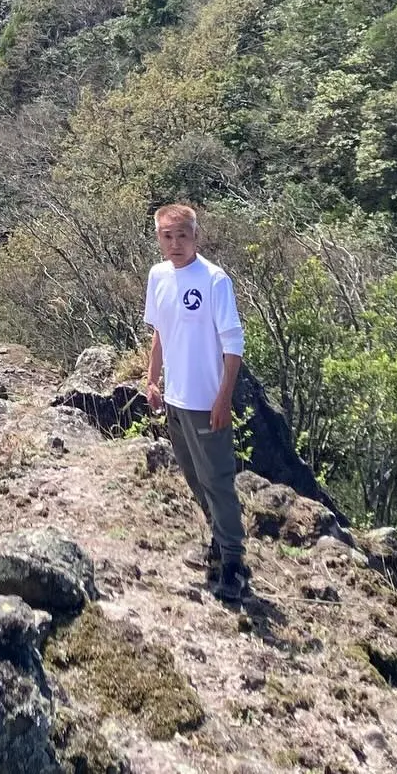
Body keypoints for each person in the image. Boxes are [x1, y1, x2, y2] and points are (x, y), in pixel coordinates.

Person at [144, 203, 248, 601]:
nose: (175, 244)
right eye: (167, 237)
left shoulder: (213, 280)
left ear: (195, 236)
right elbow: (160, 332)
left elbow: (233, 345)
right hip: (175, 398)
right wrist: (152, 380)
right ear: (159, 238)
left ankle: (235, 563)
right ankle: (218, 545)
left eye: (182, 236)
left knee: (218, 480)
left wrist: (224, 398)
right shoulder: (158, 277)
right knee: (192, 476)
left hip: (207, 400)